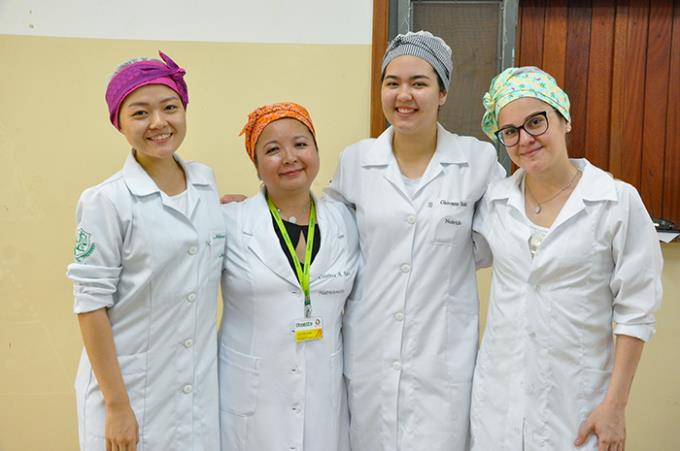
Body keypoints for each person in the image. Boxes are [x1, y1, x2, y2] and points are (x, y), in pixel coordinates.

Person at [326, 31, 505, 451]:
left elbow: (502, 238)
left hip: (441, 359)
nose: (403, 95)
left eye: (419, 83)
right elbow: (329, 239)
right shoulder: (356, 161)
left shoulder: (476, 161)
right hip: (369, 353)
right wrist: (257, 211)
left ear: (442, 92)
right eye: (393, 82)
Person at [470, 66, 663, 450]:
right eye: (510, 131)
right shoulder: (494, 202)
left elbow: (636, 311)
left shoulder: (616, 202)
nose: (525, 139)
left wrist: (615, 405)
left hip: (578, 409)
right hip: (498, 408)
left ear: (564, 120)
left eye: (536, 122)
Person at [67, 52, 223, 451]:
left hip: (195, 393)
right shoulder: (106, 202)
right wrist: (117, 406)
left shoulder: (204, 183)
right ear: (118, 122)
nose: (158, 123)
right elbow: (90, 307)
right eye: (140, 113)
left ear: (184, 110)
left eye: (170, 108)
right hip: (129, 391)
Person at [218, 102, 359, 451]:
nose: (289, 157)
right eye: (272, 150)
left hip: (323, 395)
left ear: (315, 151)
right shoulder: (229, 222)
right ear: (256, 165)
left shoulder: (348, 221)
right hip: (251, 397)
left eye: (300, 144)